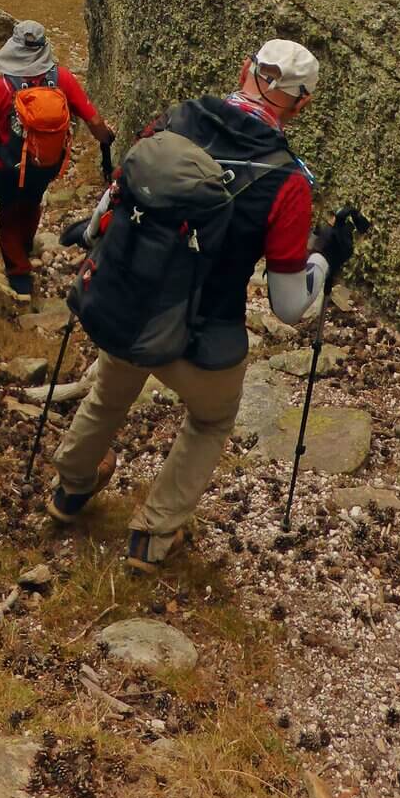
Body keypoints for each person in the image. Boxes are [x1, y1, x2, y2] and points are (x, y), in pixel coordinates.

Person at [46, 39, 356, 572]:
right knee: (211, 421)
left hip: (129, 305)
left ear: (245, 70)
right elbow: (287, 306)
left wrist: (92, 231)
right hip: (203, 336)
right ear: (302, 105)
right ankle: (153, 534)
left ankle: (70, 488)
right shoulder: (288, 181)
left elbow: (115, 197)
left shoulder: (174, 119)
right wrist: (324, 261)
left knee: (110, 391)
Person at [0, 20, 115, 300]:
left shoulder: (1, 86)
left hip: (7, 166)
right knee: (31, 202)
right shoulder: (61, 78)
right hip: (46, 165)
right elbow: (95, 120)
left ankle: (19, 272)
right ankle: (26, 245)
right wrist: (106, 139)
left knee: (6, 213)